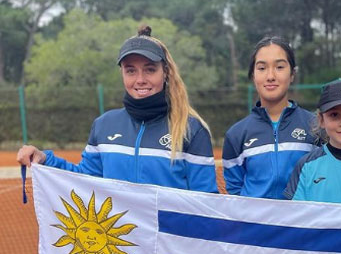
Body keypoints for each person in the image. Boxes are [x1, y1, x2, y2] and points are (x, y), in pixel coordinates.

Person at [17, 25, 218, 193]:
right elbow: (86, 180)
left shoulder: (191, 130)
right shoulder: (104, 125)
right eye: (131, 70)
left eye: (150, 69)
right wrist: (45, 160)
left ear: (165, 72)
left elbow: (204, 202)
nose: (140, 79)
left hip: (168, 241)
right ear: (122, 73)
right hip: (118, 240)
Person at [222, 36, 316, 199]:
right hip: (256, 224)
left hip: (301, 222)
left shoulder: (316, 126)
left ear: (292, 74)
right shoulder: (236, 134)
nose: (270, 76)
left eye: (279, 67)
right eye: (262, 68)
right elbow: (235, 188)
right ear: (253, 75)